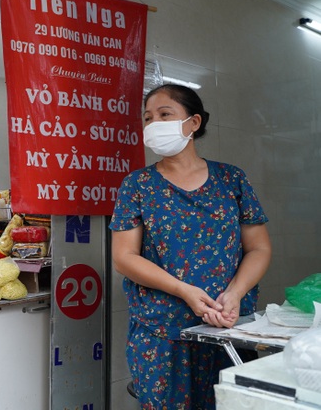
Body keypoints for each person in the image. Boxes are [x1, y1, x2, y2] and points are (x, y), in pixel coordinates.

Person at [109, 84, 271, 409]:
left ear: (194, 122)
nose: (154, 124)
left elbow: (259, 249)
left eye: (165, 114)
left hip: (227, 327)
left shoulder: (231, 180)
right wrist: (183, 290)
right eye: (148, 118)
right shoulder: (138, 185)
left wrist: (236, 293)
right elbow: (123, 257)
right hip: (160, 331)